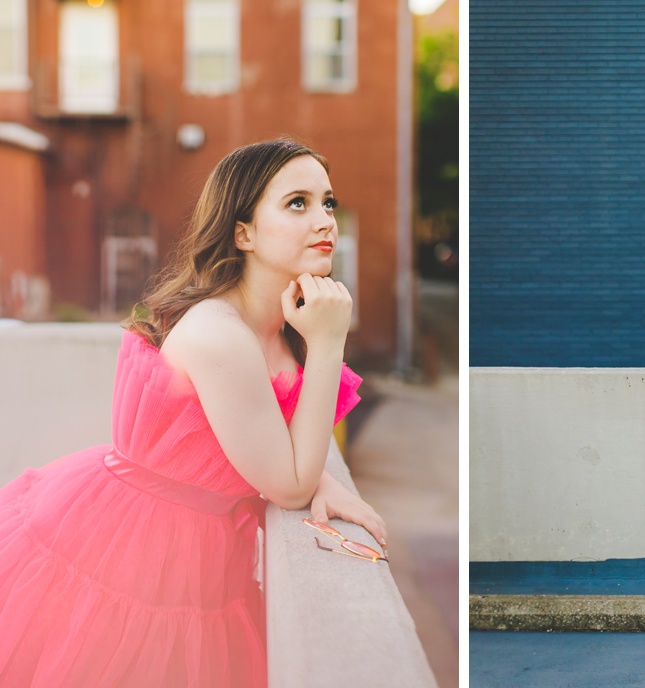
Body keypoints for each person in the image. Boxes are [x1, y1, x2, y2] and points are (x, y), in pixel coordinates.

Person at [0, 139, 388, 686]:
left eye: (327, 202)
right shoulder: (219, 331)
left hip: (202, 558)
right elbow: (290, 487)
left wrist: (321, 473)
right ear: (243, 233)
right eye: (297, 203)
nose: (325, 219)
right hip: (133, 548)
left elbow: (266, 447)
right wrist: (328, 344)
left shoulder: (277, 330)